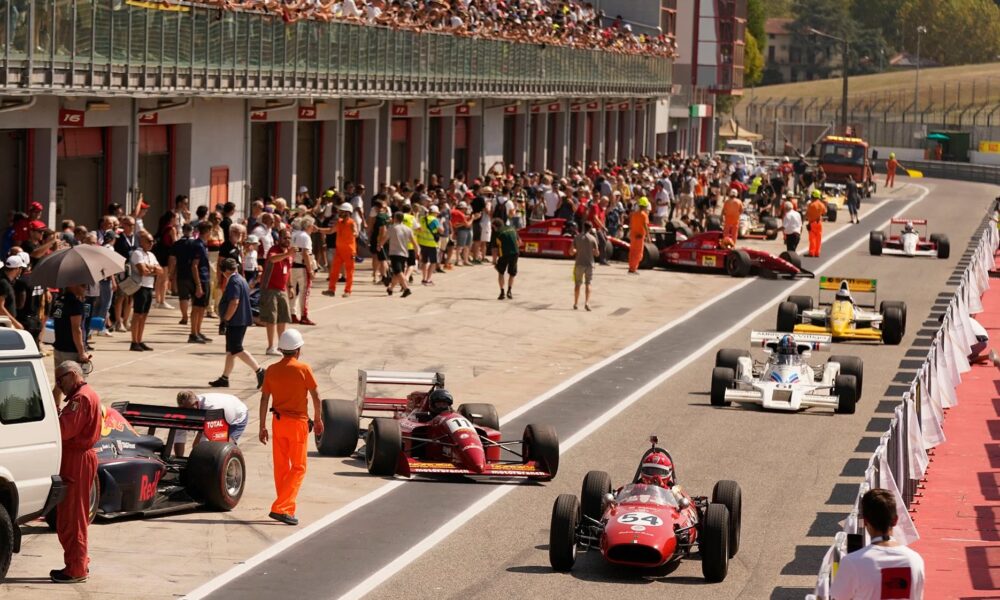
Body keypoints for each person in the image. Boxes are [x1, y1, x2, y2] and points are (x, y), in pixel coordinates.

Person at [258, 329, 324, 526]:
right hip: (297, 424)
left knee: (281, 467)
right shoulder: (303, 369)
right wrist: (318, 419)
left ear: (281, 350)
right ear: (298, 350)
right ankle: (280, 507)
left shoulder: (271, 370)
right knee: (298, 467)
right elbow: (316, 396)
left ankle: (286, 508)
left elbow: (264, 399)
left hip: (278, 423)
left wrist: (262, 426)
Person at [51, 361, 102, 583]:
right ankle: (77, 562)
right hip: (78, 458)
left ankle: (76, 568)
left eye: (60, 380)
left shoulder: (80, 399)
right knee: (71, 516)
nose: (59, 385)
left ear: (72, 375)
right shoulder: (85, 394)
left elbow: (63, 430)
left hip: (77, 460)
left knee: (73, 517)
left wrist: (54, 403)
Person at [830, 488, 925, 600]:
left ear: (865, 522)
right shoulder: (915, 559)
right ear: (895, 520)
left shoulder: (852, 562)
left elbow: (838, 597)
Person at [211, 258, 265, 389]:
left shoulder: (234, 281)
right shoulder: (241, 279)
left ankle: (260, 370)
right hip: (240, 320)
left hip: (236, 321)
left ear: (225, 271)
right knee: (231, 350)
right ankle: (225, 377)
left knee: (236, 349)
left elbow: (234, 302)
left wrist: (226, 319)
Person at [173, 390, 250, 456]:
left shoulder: (212, 409)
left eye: (190, 409)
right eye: (184, 410)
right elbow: (179, 436)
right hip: (221, 409)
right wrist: (179, 460)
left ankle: (232, 466)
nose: (188, 413)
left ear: (196, 403)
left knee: (224, 447)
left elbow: (206, 440)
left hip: (237, 414)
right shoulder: (185, 410)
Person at [51, 284, 92, 403]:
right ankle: (74, 415)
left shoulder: (59, 300)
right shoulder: (75, 304)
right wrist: (82, 352)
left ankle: (55, 411)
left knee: (59, 384)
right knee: (75, 386)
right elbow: (76, 329)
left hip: (59, 347)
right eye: (83, 285)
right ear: (73, 285)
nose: (86, 288)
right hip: (70, 350)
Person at [260, 229, 297, 355]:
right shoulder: (274, 250)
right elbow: (272, 259)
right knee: (272, 318)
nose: (287, 240)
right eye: (285, 238)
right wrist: (288, 254)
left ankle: (282, 346)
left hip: (282, 289)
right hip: (270, 289)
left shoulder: (289, 252)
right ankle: (270, 347)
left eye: (289, 238)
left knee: (283, 318)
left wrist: (290, 286)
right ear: (279, 239)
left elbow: (289, 270)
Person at [129, 232, 162, 351]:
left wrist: (150, 268)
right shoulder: (137, 254)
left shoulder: (151, 255)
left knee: (144, 315)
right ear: (141, 241)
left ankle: (140, 339)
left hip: (149, 286)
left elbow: (161, 271)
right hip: (140, 286)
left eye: (152, 241)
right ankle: (134, 341)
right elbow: (143, 271)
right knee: (137, 314)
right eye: (149, 241)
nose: (151, 243)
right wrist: (152, 268)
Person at [324, 203, 358, 298]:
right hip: (339, 251)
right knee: (334, 271)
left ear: (347, 213)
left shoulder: (352, 222)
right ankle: (331, 290)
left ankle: (348, 291)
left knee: (349, 271)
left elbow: (355, 230)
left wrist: (355, 232)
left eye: (342, 211)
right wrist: (318, 229)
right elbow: (330, 231)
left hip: (350, 252)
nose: (339, 213)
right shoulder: (339, 222)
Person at [383, 211, 418, 298]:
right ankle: (390, 288)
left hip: (395, 253)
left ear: (395, 218)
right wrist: (417, 252)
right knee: (397, 273)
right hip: (404, 253)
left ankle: (406, 289)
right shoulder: (408, 229)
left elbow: (385, 238)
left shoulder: (392, 228)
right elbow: (414, 243)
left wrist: (380, 245)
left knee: (398, 271)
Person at [289, 217, 316, 326]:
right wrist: (310, 271)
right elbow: (306, 254)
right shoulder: (305, 237)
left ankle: (292, 314)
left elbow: (294, 249)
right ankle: (304, 316)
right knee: (305, 292)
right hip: (302, 267)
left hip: (293, 266)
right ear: (309, 226)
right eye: (312, 225)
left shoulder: (294, 235)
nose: (313, 227)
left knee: (293, 292)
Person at [571, 222, 598, 311]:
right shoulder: (593, 238)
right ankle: (586, 303)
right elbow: (597, 253)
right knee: (588, 283)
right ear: (590, 229)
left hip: (579, 263)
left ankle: (575, 303)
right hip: (589, 264)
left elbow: (571, 251)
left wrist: (575, 251)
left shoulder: (577, 237)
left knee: (577, 284)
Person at [416, 205, 444, 286]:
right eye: (437, 213)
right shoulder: (434, 220)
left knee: (424, 261)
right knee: (433, 262)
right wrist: (441, 222)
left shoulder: (422, 219)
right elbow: (441, 231)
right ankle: (428, 279)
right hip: (432, 244)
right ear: (435, 213)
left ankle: (424, 279)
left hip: (422, 242)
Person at [493, 217, 519, 300]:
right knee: (512, 273)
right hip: (515, 253)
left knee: (501, 272)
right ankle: (509, 291)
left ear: (495, 226)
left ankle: (502, 292)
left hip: (504, 254)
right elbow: (519, 242)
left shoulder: (497, 233)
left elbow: (495, 249)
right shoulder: (512, 229)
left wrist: (494, 261)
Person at [628, 198, 651, 274]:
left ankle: (631, 267)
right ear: (645, 206)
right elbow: (645, 226)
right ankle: (633, 269)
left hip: (633, 236)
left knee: (632, 252)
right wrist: (648, 236)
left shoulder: (634, 214)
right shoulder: (644, 215)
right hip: (639, 236)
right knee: (638, 254)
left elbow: (631, 225)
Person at [0, 255, 23, 329]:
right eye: (21, 268)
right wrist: (16, 323)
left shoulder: (6, 281)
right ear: (17, 269)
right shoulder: (3, 283)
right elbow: (0, 307)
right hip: (4, 324)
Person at [805, 189, 827, 257]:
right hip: (819, 223)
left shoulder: (811, 205)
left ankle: (812, 252)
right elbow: (824, 212)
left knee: (812, 238)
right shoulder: (821, 204)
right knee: (818, 238)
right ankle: (817, 253)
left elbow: (807, 215)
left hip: (812, 223)